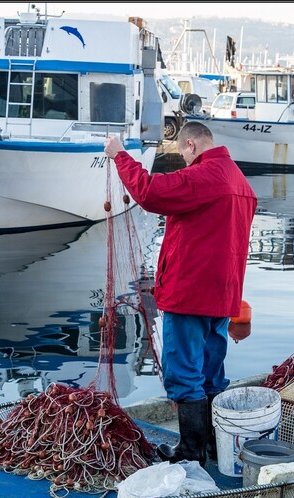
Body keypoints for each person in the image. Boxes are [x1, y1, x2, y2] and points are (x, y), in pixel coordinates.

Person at [104, 121, 257, 465]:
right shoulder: (239, 181)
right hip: (222, 296)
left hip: (191, 295)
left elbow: (149, 192)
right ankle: (218, 448)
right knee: (211, 372)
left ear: (190, 145)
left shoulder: (206, 176)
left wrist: (120, 156)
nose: (184, 162)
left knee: (183, 372)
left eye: (183, 155)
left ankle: (191, 453)